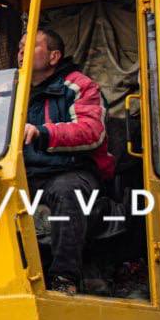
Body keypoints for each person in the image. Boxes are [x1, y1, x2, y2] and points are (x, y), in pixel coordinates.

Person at [19, 28, 114, 295]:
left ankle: (64, 278)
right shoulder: (12, 88)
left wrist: (44, 133)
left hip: (71, 169)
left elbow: (92, 131)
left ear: (53, 56)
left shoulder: (80, 86)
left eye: (31, 46)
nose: (22, 52)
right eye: (20, 46)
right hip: (24, 173)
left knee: (67, 193)